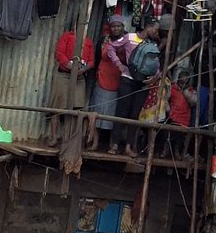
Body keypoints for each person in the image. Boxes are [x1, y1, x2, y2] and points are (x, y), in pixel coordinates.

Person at [90, 15, 140, 152]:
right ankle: (95, 142)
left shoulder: (128, 41)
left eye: (118, 26)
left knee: (115, 114)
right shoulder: (103, 40)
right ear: (110, 27)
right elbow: (97, 57)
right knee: (98, 111)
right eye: (113, 26)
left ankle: (113, 144)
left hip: (120, 79)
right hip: (102, 77)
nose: (116, 28)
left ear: (123, 27)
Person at [113, 20, 161, 157]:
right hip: (127, 79)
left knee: (135, 114)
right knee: (121, 111)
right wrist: (119, 64)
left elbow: (158, 66)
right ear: (148, 27)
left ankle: (128, 147)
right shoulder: (130, 37)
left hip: (143, 83)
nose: (156, 33)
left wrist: (154, 78)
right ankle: (115, 144)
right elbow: (111, 47)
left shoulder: (154, 45)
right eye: (156, 30)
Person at [47, 29, 95, 145]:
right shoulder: (67, 36)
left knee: (77, 108)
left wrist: (82, 70)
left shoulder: (88, 41)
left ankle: (70, 139)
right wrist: (70, 67)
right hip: (64, 75)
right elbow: (59, 53)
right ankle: (54, 137)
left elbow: (91, 61)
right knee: (57, 107)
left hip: (79, 77)